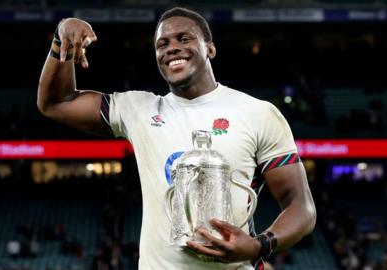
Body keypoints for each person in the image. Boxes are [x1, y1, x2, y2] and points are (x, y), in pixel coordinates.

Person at [37, 7, 316, 270]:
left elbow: (300, 206)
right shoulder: (139, 109)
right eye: (162, 44)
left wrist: (259, 246)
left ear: (210, 48)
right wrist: (61, 40)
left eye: (184, 38)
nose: (172, 47)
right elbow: (55, 102)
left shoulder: (257, 113)